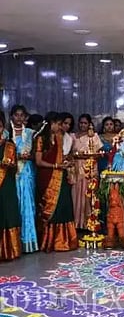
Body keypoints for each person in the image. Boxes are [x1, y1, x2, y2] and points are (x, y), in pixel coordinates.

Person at [34, 112, 78, 252]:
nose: (60, 127)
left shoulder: (59, 138)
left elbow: (60, 157)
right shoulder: (41, 139)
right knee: (50, 208)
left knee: (64, 207)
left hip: (61, 176)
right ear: (50, 123)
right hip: (47, 177)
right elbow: (39, 161)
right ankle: (50, 242)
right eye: (58, 124)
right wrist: (56, 166)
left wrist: (66, 161)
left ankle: (65, 240)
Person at [10, 103, 37, 253]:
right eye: (16, 115)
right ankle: (14, 243)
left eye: (22, 115)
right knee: (15, 204)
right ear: (12, 116)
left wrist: (29, 156)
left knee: (28, 205)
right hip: (13, 173)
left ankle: (28, 241)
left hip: (27, 173)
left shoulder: (30, 133)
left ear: (25, 117)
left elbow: (37, 154)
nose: (19, 118)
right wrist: (17, 156)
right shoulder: (7, 134)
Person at [72, 115, 102, 229]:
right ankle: (76, 224)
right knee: (76, 195)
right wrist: (77, 155)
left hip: (89, 168)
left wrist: (86, 155)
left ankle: (88, 224)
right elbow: (69, 153)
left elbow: (98, 154)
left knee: (88, 195)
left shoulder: (94, 136)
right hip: (76, 168)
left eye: (85, 123)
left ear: (89, 124)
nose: (82, 125)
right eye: (81, 122)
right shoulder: (73, 136)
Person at [0, 110, 22, 261]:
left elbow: (14, 166)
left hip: (7, 184)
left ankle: (9, 250)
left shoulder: (9, 145)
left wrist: (9, 164)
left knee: (8, 213)